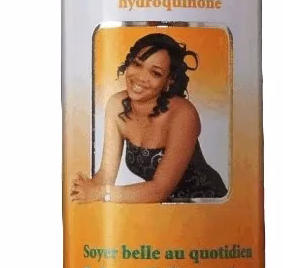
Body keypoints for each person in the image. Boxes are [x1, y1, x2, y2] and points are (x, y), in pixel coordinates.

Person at [70, 33, 228, 203]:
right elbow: (106, 175)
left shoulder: (183, 114)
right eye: (137, 64)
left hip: (206, 205)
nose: (141, 77)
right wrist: (84, 189)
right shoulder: (117, 105)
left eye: (155, 73)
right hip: (162, 209)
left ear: (169, 80)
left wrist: (100, 193)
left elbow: (159, 190)